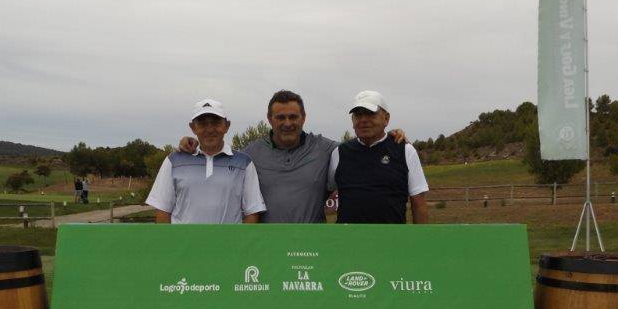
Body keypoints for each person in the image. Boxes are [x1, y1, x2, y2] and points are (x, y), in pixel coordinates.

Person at [178, 90, 406, 223]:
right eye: (281, 117)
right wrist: (195, 144)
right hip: (265, 245)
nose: (288, 123)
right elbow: (219, 158)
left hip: (313, 246)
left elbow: (364, 147)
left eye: (293, 117)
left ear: (303, 117)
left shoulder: (327, 149)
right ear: (269, 119)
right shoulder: (250, 154)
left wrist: (391, 136)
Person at [146, 99, 266, 224]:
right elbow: (163, 211)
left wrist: (241, 243)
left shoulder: (244, 162)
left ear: (227, 126)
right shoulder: (173, 161)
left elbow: (252, 212)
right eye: (202, 124)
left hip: (228, 243)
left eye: (216, 123)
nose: (209, 129)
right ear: (193, 128)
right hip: (183, 243)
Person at [328, 91, 429, 224]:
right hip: (348, 240)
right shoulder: (340, 152)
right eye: (358, 115)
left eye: (371, 114)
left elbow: (418, 202)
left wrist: (420, 241)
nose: (363, 120)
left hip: (391, 241)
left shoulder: (405, 150)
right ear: (352, 121)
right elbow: (326, 191)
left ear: (386, 119)